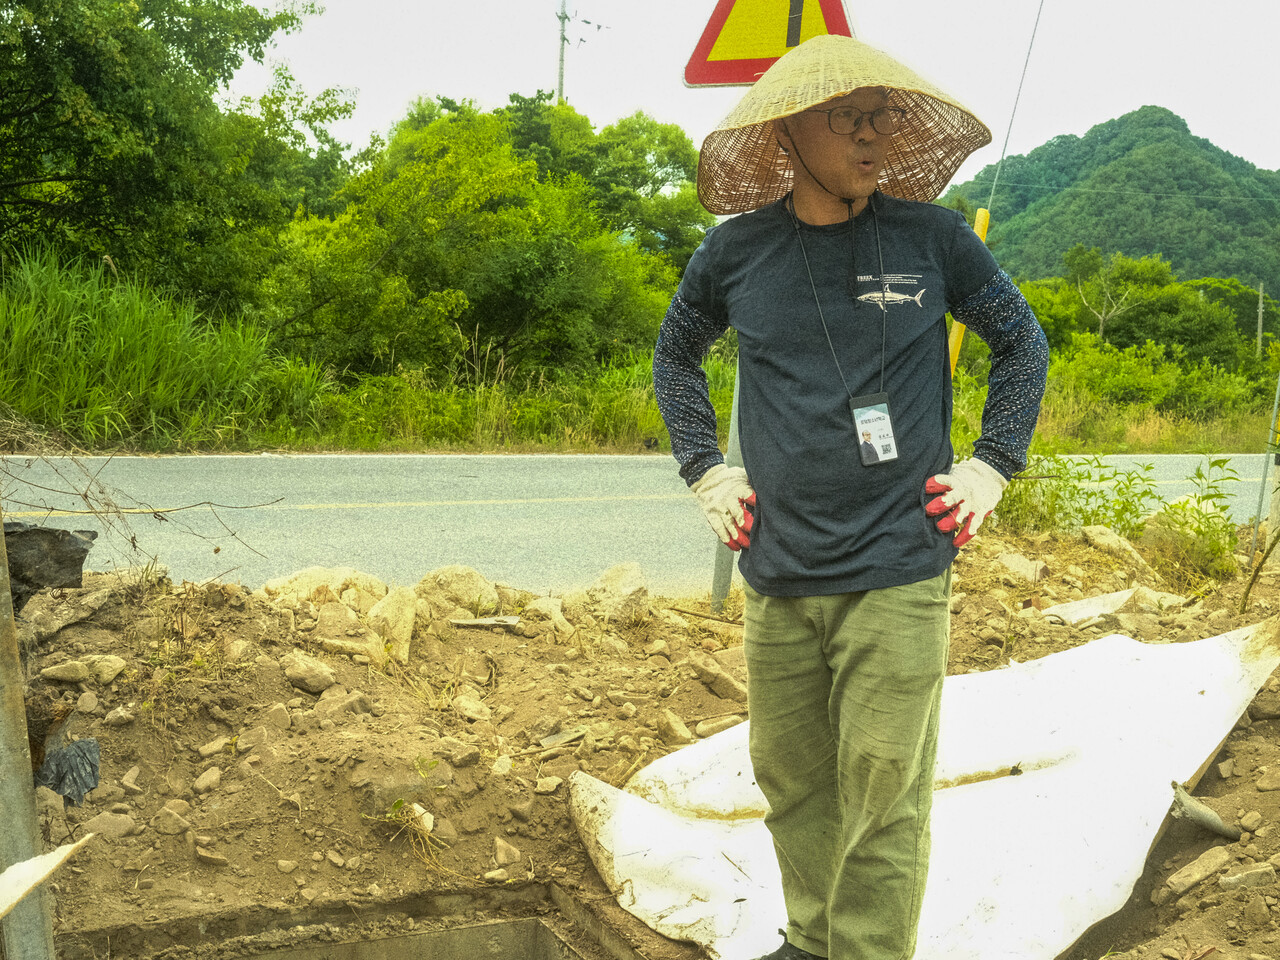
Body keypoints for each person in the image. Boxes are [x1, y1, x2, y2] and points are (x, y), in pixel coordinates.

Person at [652, 34, 1048, 960]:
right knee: (791, 780)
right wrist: (703, 468)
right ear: (790, 133)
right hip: (780, 572)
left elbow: (1021, 344)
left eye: (884, 117)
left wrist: (992, 463)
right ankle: (812, 939)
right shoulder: (736, 253)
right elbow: (675, 356)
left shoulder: (932, 238)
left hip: (897, 570)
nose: (872, 136)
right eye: (849, 119)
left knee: (882, 790)